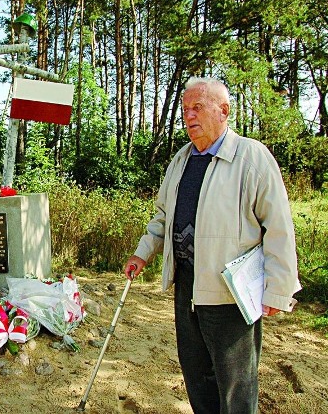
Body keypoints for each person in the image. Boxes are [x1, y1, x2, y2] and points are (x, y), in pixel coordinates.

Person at [124, 77, 301, 414]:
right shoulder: (181, 159)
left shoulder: (251, 158)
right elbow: (164, 216)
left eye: (198, 107)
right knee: (196, 376)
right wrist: (142, 252)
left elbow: (278, 227)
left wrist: (278, 290)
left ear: (224, 110)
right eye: (185, 110)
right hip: (187, 286)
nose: (189, 116)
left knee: (235, 384)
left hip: (230, 293)